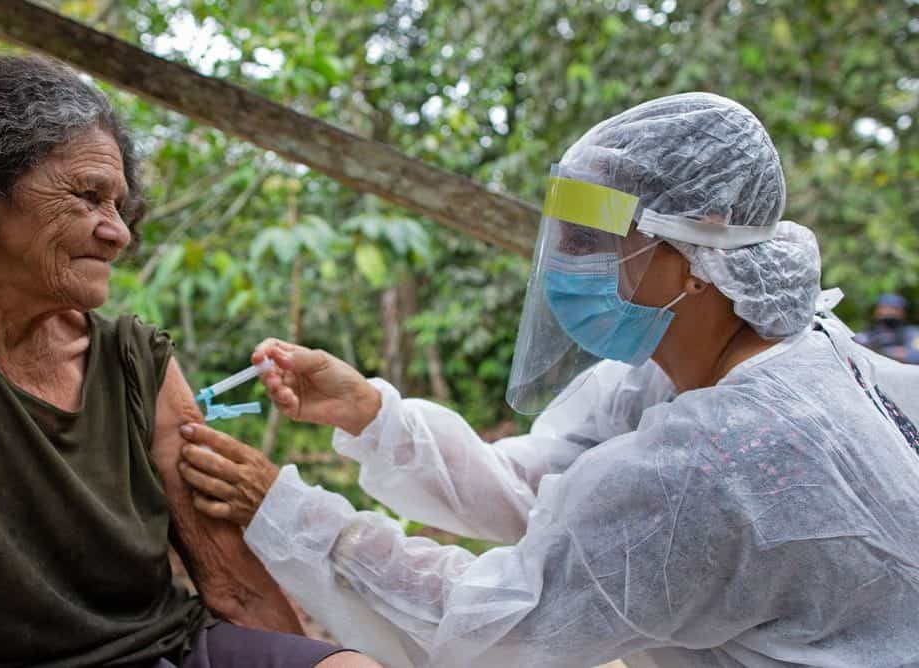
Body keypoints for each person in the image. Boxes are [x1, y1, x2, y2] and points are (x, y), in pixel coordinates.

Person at [176, 93, 919, 667]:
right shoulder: (750, 357)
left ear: (702, 239)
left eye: (592, 239)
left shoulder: (721, 458)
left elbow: (498, 628)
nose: (566, 261)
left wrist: (303, 521)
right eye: (563, 235)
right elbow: (544, 492)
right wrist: (372, 413)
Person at [0, 55, 376, 668]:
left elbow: (233, 584)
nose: (117, 232)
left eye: (119, 206)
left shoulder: (136, 357)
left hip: (169, 648)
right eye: (89, 196)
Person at [855, 293, 919, 363]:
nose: (887, 312)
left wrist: (879, 351)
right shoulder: (867, 335)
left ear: (902, 312)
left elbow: (915, 355)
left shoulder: (911, 333)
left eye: (893, 309)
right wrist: (896, 352)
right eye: (883, 308)